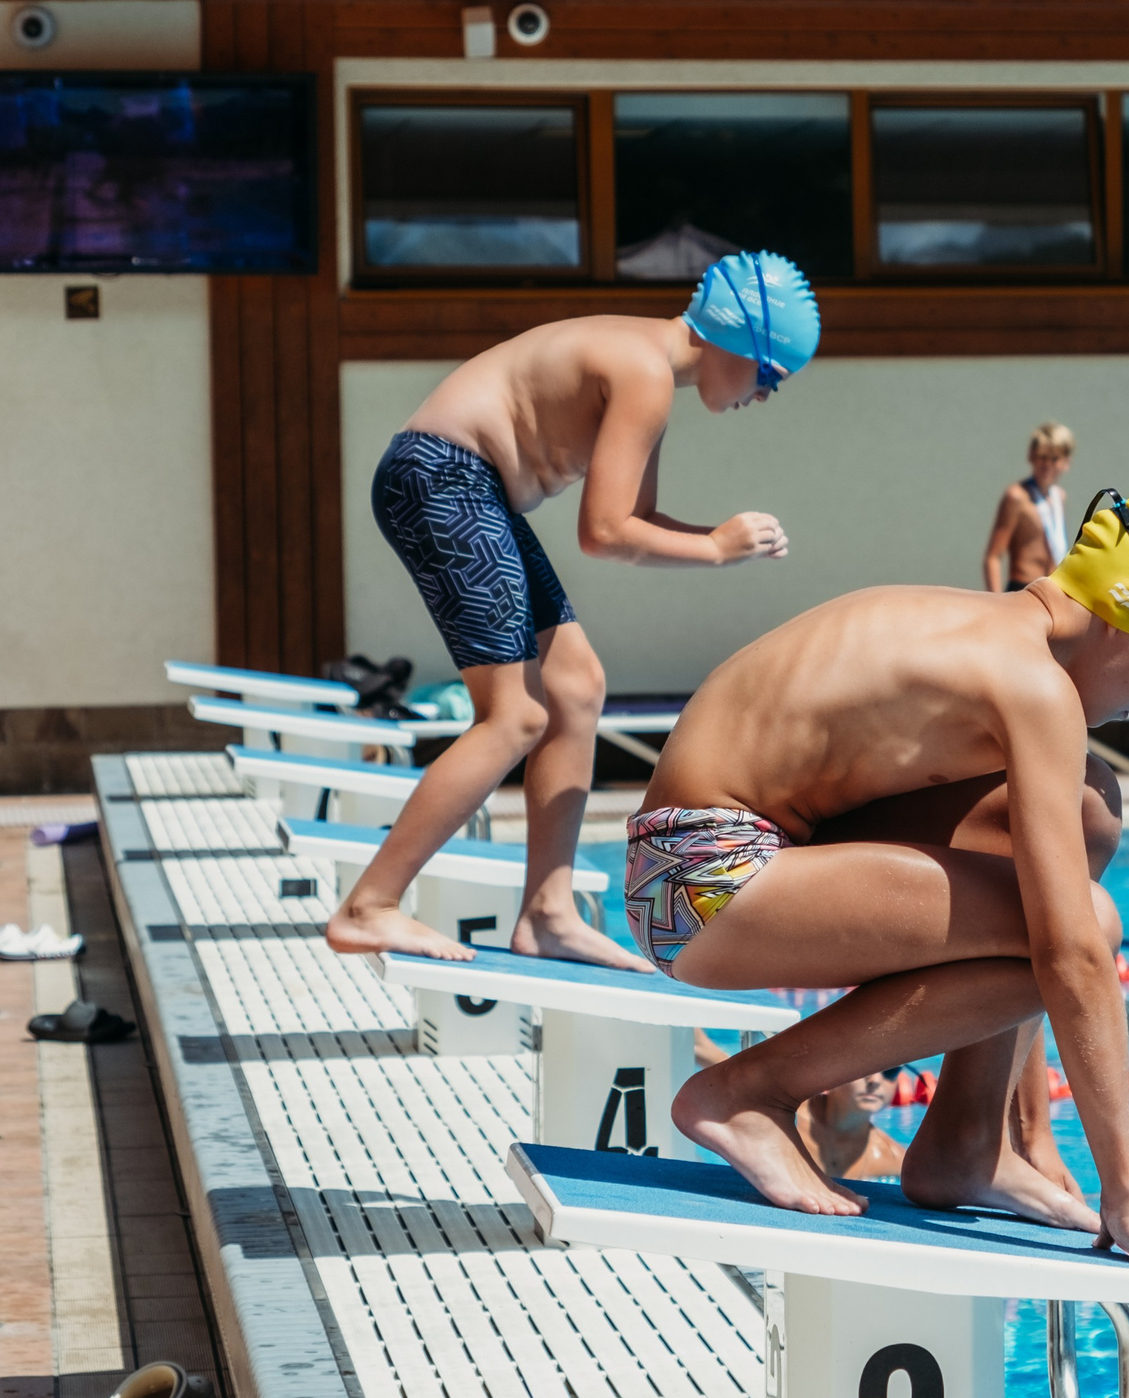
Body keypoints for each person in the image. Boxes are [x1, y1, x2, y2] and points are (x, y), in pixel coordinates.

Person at [627, 489, 1129, 1284]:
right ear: (1127, 625)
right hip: (698, 885)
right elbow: (1073, 958)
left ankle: (966, 1143)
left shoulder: (990, 628)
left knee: (1088, 809)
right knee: (1088, 924)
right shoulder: (1032, 684)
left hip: (704, 863)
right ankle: (746, 1092)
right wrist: (1127, 1195)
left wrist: (1038, 1132)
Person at [324, 252, 818, 969]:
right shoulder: (645, 374)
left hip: (465, 484)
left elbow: (635, 522)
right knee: (515, 716)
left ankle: (548, 913)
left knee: (576, 686)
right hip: (443, 477)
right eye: (770, 375)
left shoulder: (648, 370)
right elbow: (606, 534)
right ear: (735, 343)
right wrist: (714, 547)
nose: (767, 395)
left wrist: (718, 543)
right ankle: (368, 907)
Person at [981, 421, 1074, 592]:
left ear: (1066, 462)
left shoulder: (1059, 496)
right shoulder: (1017, 496)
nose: (1047, 465)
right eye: (1042, 457)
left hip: (1052, 590)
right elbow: (993, 557)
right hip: (1023, 589)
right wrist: (997, 603)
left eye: (1054, 459)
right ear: (1031, 456)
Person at [798, 1071, 909, 1181]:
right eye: (866, 1067)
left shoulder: (894, 1161)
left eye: (891, 1071)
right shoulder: (788, 1123)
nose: (875, 1080)